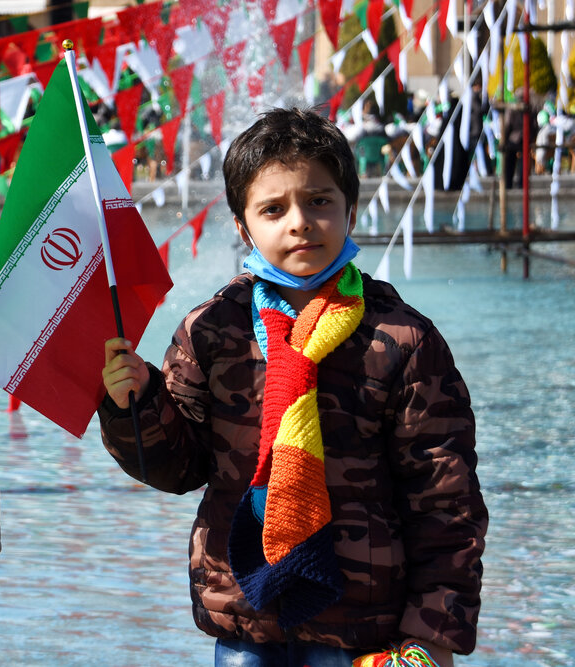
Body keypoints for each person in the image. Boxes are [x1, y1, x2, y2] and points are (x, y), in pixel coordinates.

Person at [98, 108, 486, 667]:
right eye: (274, 209)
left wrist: (434, 631)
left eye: (319, 201)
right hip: (245, 614)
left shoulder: (402, 339)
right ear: (241, 225)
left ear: (350, 208)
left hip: (363, 625)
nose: (299, 222)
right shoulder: (212, 331)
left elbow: (445, 498)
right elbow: (178, 468)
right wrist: (136, 401)